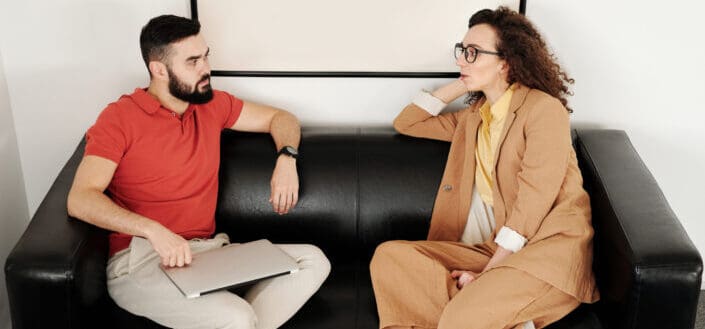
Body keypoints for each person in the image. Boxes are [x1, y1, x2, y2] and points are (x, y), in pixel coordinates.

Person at [67, 14, 330, 329]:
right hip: (140, 260)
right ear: (159, 69)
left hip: (206, 253)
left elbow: (281, 118)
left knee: (313, 261)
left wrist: (287, 158)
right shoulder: (118, 118)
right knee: (237, 316)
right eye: (193, 62)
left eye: (206, 56)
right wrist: (153, 230)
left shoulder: (211, 105)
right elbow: (81, 198)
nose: (206, 68)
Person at [369, 7, 599, 329]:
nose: (461, 59)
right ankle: (505, 317)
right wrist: (465, 83)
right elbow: (407, 122)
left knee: (462, 318)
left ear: (506, 62)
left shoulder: (544, 110)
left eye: (473, 53)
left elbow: (533, 202)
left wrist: (485, 275)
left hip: (545, 254)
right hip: (494, 248)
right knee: (390, 257)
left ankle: (481, 310)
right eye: (461, 51)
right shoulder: (475, 117)